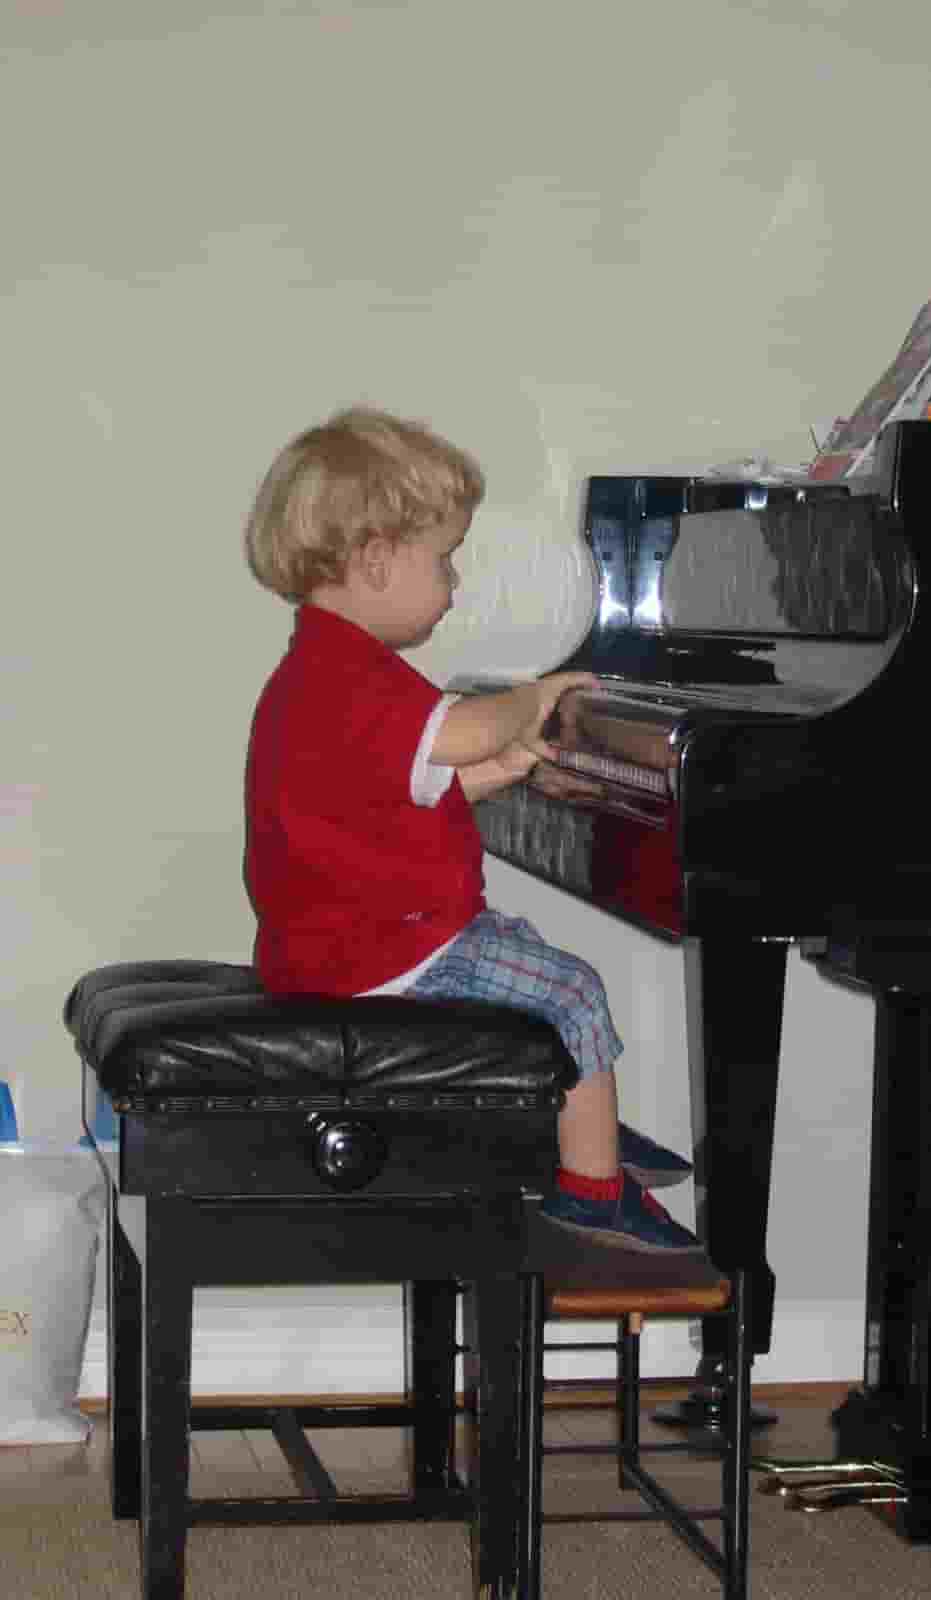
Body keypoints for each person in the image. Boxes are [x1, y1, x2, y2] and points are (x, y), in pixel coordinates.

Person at [242, 406, 698, 1253]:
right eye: (444, 558)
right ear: (377, 562)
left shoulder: (322, 675)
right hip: (379, 954)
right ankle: (593, 1186)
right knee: (572, 992)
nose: (453, 583)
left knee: (523, 951)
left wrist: (520, 764)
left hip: (349, 940)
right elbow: (468, 734)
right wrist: (535, 696)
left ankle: (575, 1111)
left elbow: (429, 785)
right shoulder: (354, 680)